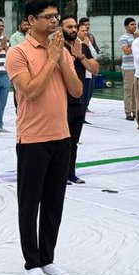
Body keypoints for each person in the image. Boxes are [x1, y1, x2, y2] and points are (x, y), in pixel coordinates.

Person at [6, 0, 85, 275]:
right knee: (30, 204)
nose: (54, 21)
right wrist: (51, 59)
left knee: (54, 203)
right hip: (33, 140)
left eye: (56, 15)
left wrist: (62, 58)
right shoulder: (18, 52)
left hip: (61, 136)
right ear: (30, 21)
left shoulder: (60, 50)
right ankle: (32, 262)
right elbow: (30, 91)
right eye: (47, 17)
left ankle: (48, 257)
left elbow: (76, 91)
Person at [61, 15, 99, 184]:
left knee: (74, 141)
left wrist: (81, 56)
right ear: (61, 29)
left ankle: (71, 173)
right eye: (69, 27)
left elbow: (95, 68)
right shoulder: (57, 47)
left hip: (79, 100)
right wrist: (71, 57)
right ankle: (59, 175)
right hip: (62, 101)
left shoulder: (82, 47)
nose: (73, 30)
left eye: (75, 26)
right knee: (61, 141)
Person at [78, 17, 100, 115]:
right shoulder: (75, 42)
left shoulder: (88, 40)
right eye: (83, 30)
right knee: (81, 96)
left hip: (89, 72)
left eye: (86, 30)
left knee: (88, 94)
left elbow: (94, 55)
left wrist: (88, 45)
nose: (85, 32)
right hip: (80, 73)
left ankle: (83, 113)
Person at [118, 18, 138, 121]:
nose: (134, 26)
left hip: (137, 67)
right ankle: (128, 112)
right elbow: (126, 51)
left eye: (135, 24)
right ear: (126, 26)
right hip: (128, 67)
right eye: (131, 25)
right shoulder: (123, 38)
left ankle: (135, 111)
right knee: (128, 90)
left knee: (136, 91)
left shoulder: (137, 37)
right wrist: (134, 41)